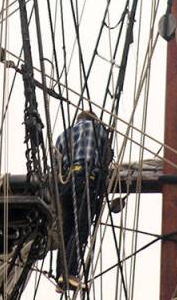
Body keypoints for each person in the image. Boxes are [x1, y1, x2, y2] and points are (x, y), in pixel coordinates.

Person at [53, 109, 112, 292]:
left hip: (65, 184)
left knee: (67, 228)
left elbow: (56, 167)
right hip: (86, 179)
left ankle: (61, 275)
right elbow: (106, 158)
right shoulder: (98, 131)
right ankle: (70, 273)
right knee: (82, 225)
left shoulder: (63, 136)